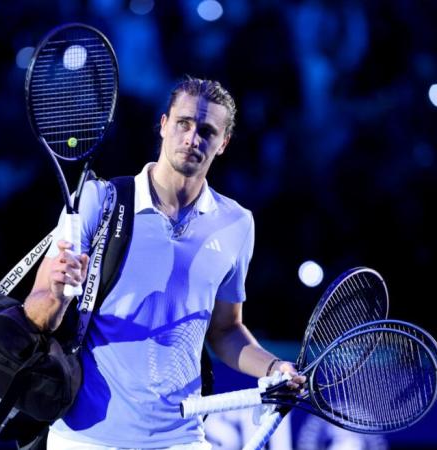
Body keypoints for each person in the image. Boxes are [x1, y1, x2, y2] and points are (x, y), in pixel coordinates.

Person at [23, 76, 305, 449]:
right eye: (184, 124)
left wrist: (273, 368)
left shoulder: (237, 224)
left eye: (206, 131)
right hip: (85, 437)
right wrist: (57, 292)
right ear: (163, 125)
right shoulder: (98, 201)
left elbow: (225, 330)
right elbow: (38, 315)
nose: (192, 138)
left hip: (181, 438)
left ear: (223, 144)